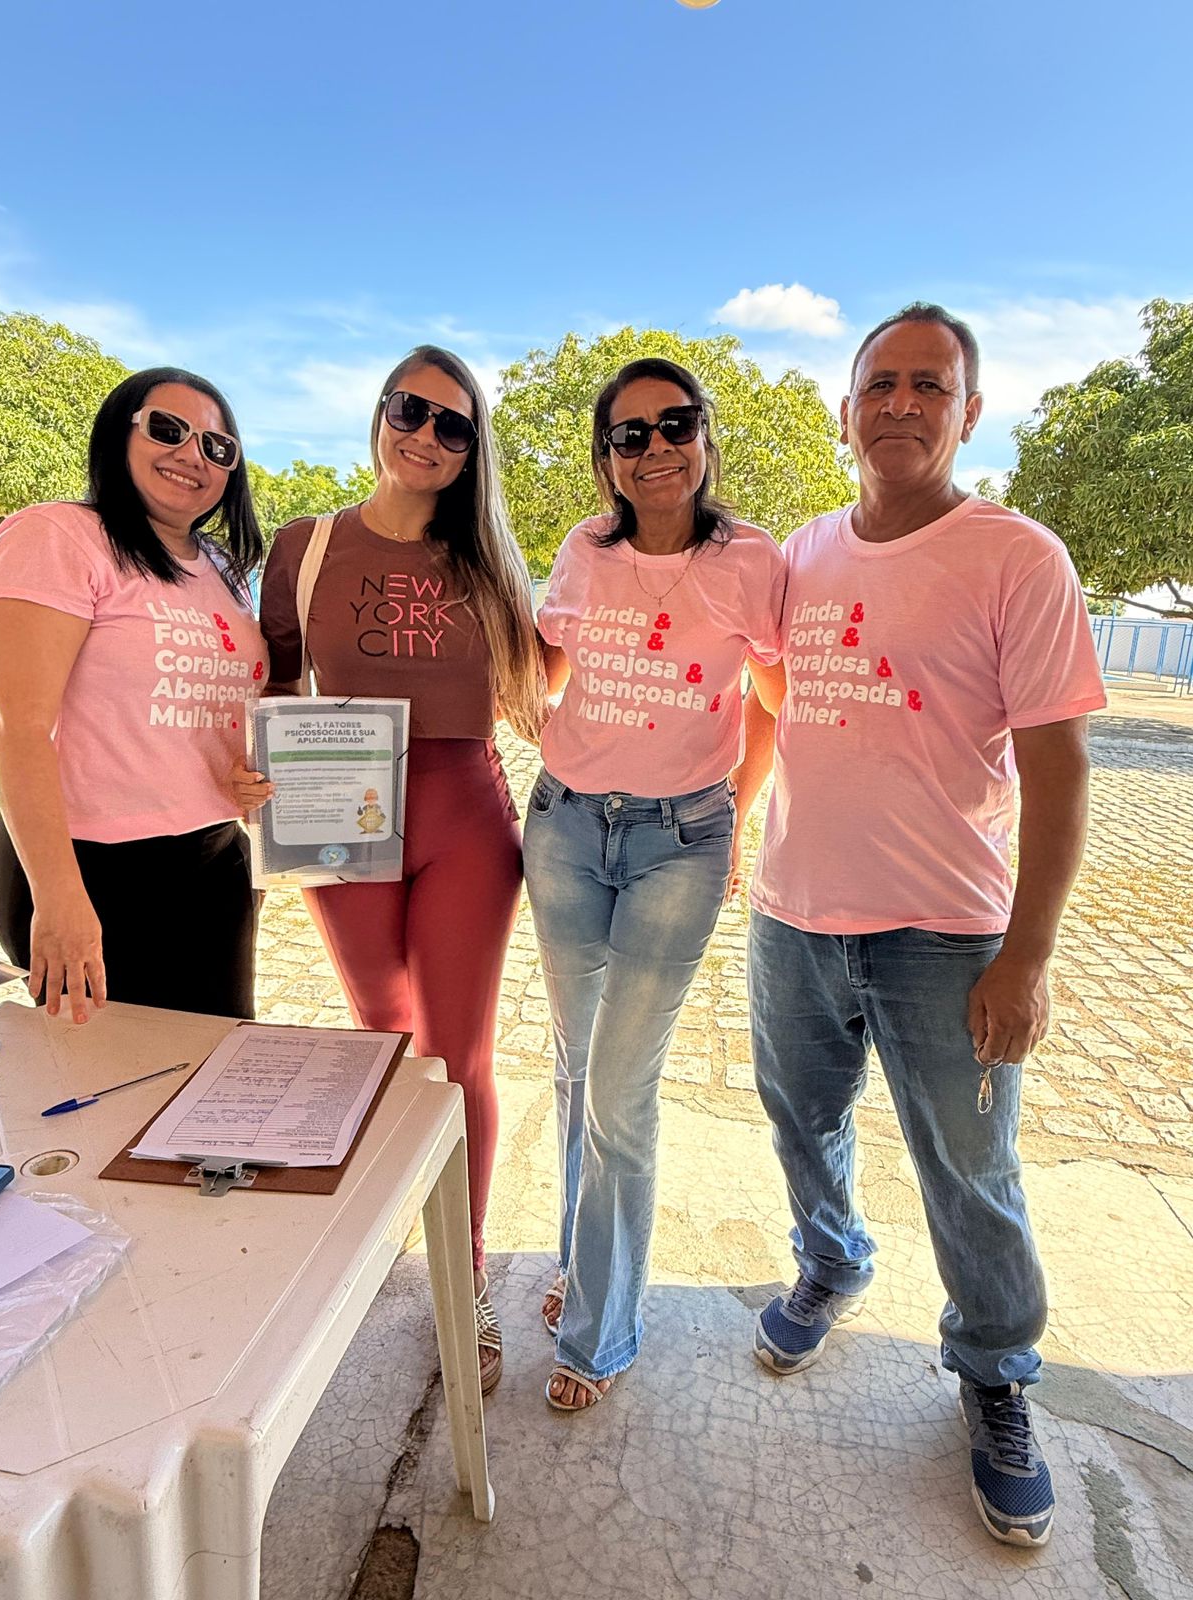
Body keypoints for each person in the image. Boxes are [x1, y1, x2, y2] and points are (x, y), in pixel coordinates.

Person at [734, 304, 1106, 1547]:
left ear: (968, 412)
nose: (899, 403)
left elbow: (1061, 769)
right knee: (801, 1120)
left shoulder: (1019, 557)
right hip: (794, 914)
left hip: (949, 933)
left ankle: (997, 1376)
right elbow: (779, 697)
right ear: (845, 410)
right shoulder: (801, 553)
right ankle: (832, 1261)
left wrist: (1030, 954)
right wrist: (742, 818)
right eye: (878, 383)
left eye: (927, 386)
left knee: (972, 1171)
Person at [255, 346, 547, 1394]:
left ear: (473, 453)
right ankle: (402, 1225)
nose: (425, 434)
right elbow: (272, 677)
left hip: (467, 815)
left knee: (458, 1053)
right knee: (385, 1043)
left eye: (453, 425)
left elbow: (558, 687)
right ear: (379, 415)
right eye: (408, 410)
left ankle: (461, 1275)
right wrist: (258, 766)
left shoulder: (492, 565)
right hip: (347, 813)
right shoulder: (306, 543)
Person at [526, 357, 786, 1410]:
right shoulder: (582, 551)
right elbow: (540, 669)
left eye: (674, 424)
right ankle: (582, 1265)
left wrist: (738, 808)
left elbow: (772, 693)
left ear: (705, 440)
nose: (655, 447)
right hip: (565, 824)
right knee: (576, 1066)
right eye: (630, 435)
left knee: (622, 1089)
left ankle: (602, 1331)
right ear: (607, 461)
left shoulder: (751, 559)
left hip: (680, 836)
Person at [0, 368, 267, 1021]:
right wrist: (59, 897)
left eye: (217, 446)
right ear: (118, 433)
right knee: (95, 1098)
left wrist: (237, 774)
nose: (192, 455)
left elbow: (204, 710)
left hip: (213, 862)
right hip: (86, 868)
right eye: (168, 430)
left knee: (209, 1082)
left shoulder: (226, 569)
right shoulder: (57, 536)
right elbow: (18, 723)